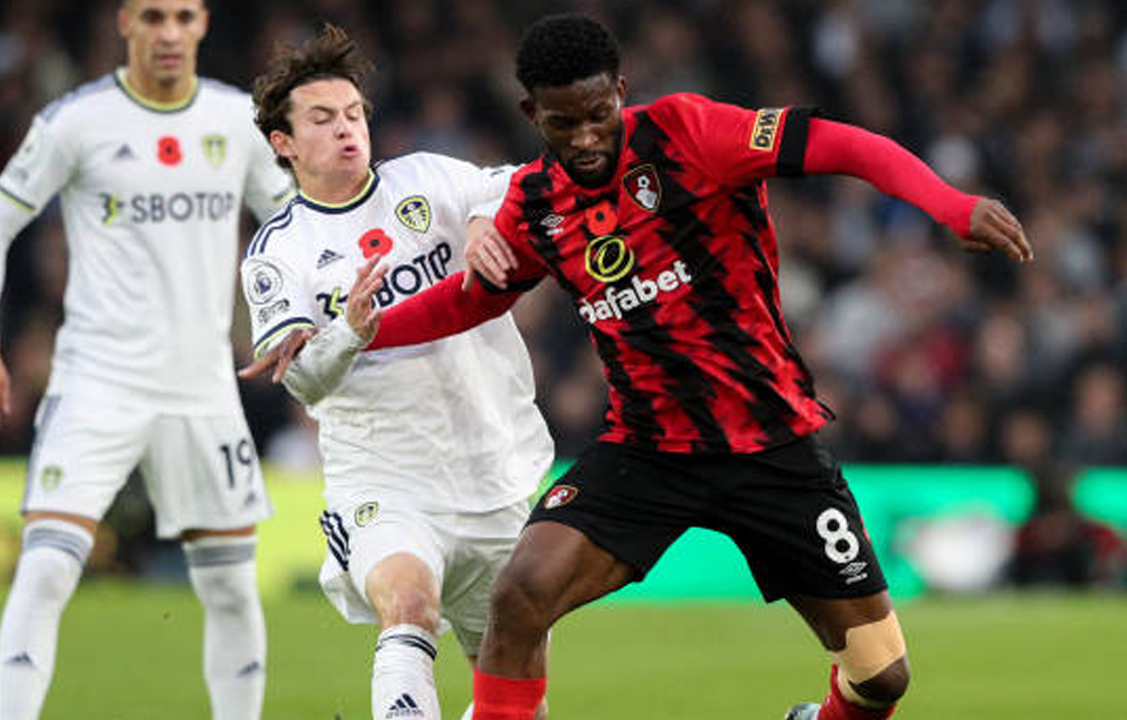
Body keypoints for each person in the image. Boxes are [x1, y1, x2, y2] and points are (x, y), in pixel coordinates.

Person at [352, 14, 1033, 720]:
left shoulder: (692, 134)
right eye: (563, 123)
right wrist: (362, 334)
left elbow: (840, 144)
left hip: (771, 445)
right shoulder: (533, 204)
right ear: (532, 113)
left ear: (620, 90)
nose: (585, 137)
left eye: (598, 114)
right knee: (518, 597)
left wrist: (951, 206)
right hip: (646, 451)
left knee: (883, 677)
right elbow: (467, 304)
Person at [0, 1, 292, 719]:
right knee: (45, 567)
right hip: (96, 383)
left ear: (203, 23)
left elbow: (294, 225)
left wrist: (301, 316)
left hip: (202, 390)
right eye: (152, 16)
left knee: (231, 586)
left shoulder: (236, 123)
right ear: (124, 23)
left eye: (183, 16)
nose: (168, 33)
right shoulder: (77, 121)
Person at [236, 25, 553, 720]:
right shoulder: (279, 253)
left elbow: (512, 186)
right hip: (387, 475)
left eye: (353, 115)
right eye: (322, 119)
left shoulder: (428, 178)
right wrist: (350, 329)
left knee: (514, 690)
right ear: (282, 144)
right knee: (407, 606)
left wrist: (479, 219)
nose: (346, 130)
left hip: (492, 465)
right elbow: (302, 380)